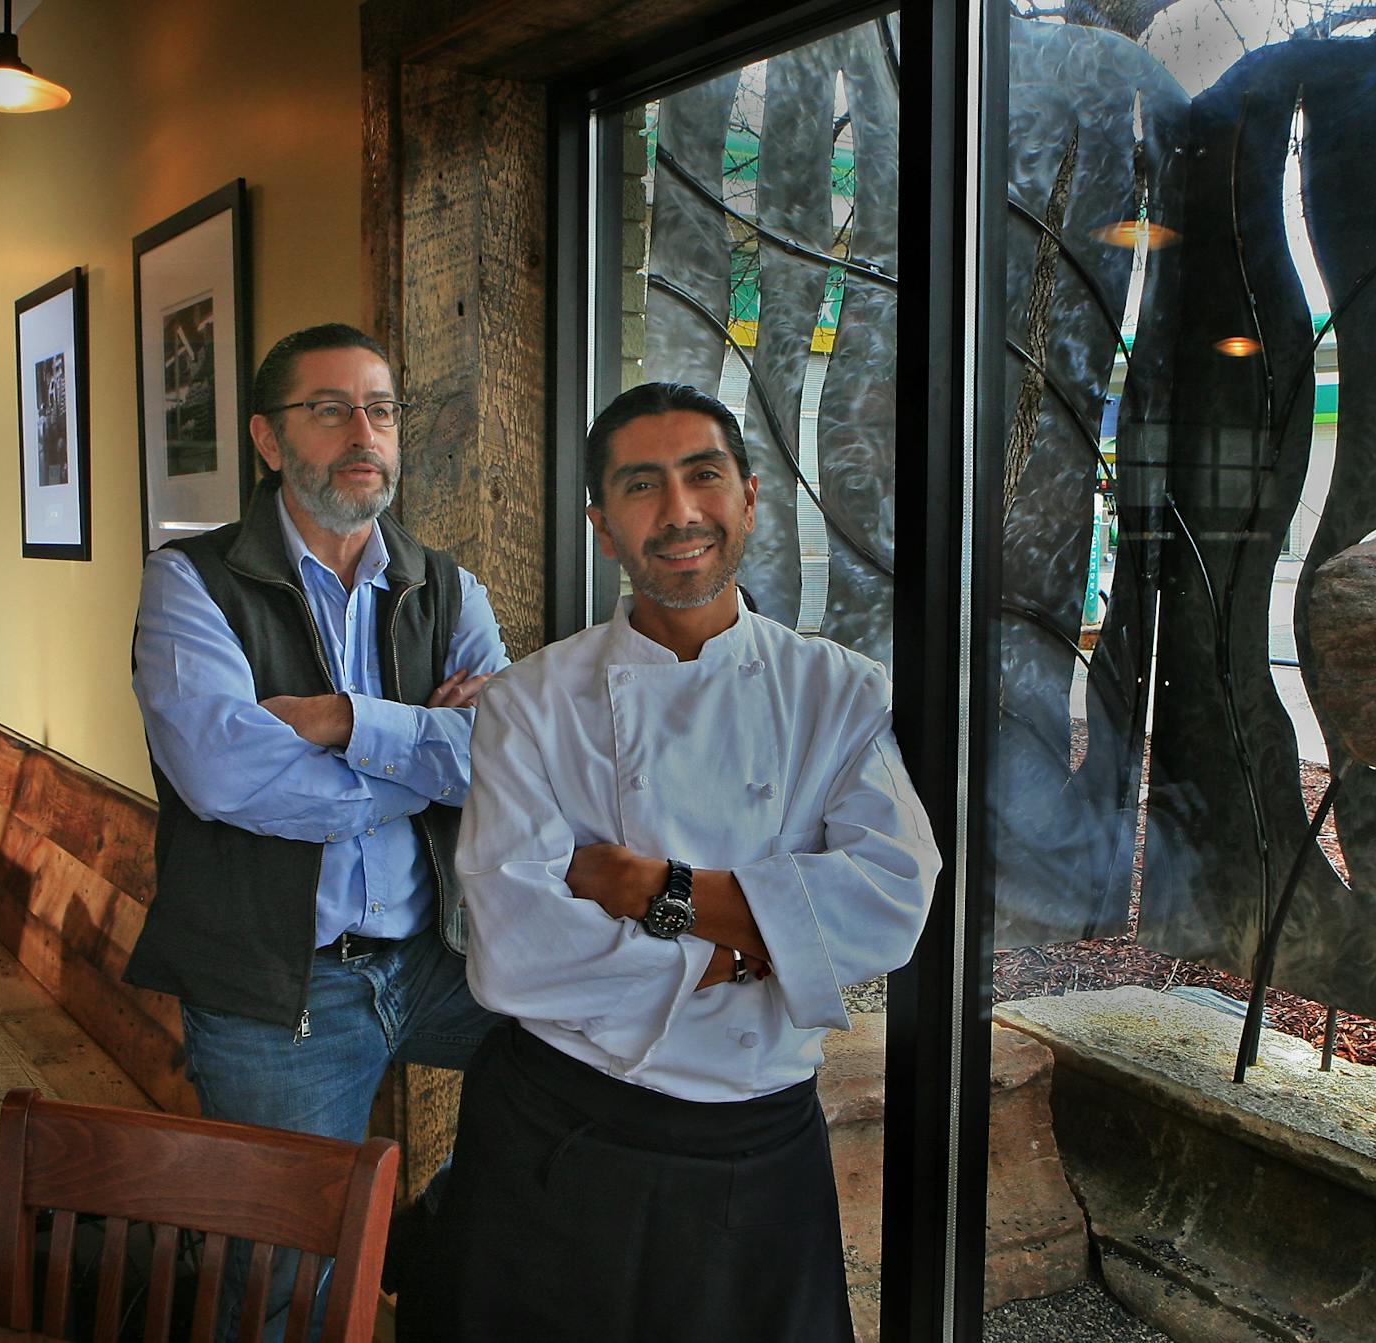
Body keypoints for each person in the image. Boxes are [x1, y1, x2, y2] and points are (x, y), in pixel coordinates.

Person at [399, 383, 940, 1341]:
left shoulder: (838, 691)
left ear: (749, 498)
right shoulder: (531, 702)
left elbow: (892, 900)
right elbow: (515, 951)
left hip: (757, 1143)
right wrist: (741, 948)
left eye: (704, 477)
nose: (681, 511)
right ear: (604, 527)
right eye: (643, 487)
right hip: (561, 1136)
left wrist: (653, 889)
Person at [125, 322, 509, 1337]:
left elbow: (512, 759)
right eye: (330, 408)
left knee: (596, 1052)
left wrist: (349, 722)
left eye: (380, 409)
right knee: (282, 1293)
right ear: (267, 437)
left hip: (440, 960)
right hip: (278, 986)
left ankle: (426, 1239)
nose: (363, 432)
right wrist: (429, 753)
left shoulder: (444, 583)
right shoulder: (189, 585)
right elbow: (231, 778)